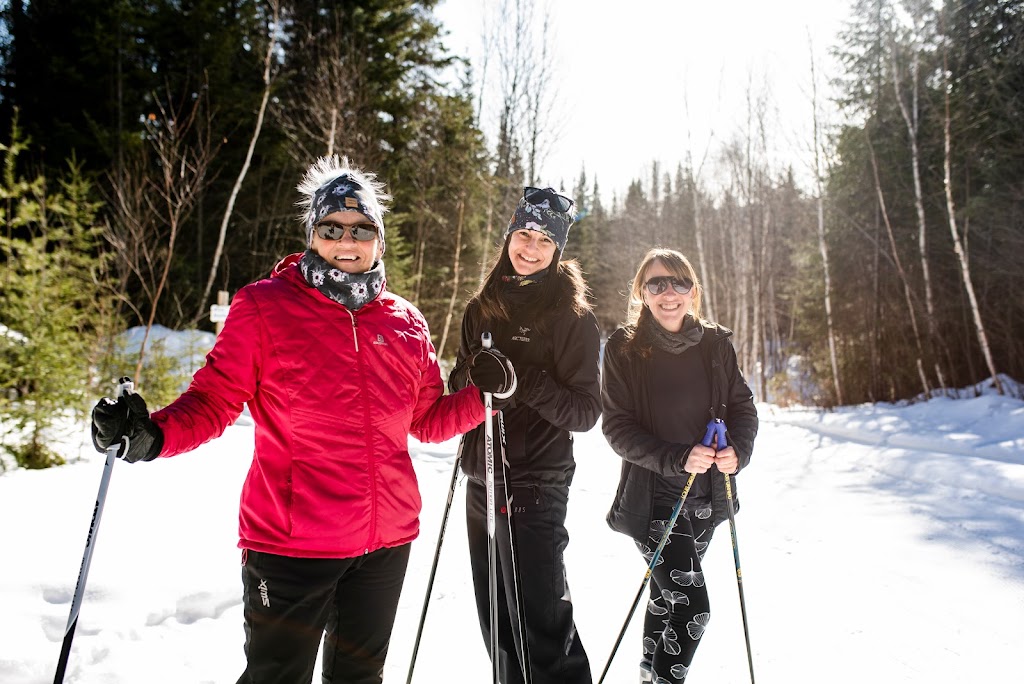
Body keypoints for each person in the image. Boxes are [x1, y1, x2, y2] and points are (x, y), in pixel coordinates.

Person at [90, 156, 509, 684]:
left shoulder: (405, 322)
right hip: (292, 544)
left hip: (386, 543)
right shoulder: (265, 307)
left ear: (378, 239)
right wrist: (151, 436)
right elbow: (215, 400)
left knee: (359, 678)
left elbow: (425, 421)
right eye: (331, 228)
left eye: (361, 229)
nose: (346, 240)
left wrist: (484, 396)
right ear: (313, 235)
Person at [448, 186, 602, 684]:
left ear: (557, 250)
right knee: (495, 616)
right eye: (523, 234)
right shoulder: (481, 307)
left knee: (541, 615)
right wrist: (475, 373)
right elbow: (456, 385)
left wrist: (525, 383)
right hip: (482, 477)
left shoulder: (572, 318)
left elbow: (585, 411)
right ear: (509, 236)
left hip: (536, 481)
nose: (530, 247)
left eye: (542, 239)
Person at [601, 248, 758, 683]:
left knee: (666, 598)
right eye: (656, 284)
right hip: (654, 500)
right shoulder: (624, 348)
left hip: (707, 497)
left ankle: (649, 676)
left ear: (693, 291)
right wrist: (676, 458)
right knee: (693, 607)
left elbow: (743, 409)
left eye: (678, 283)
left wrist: (738, 452)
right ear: (642, 292)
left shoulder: (715, 345)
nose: (668, 293)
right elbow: (616, 428)